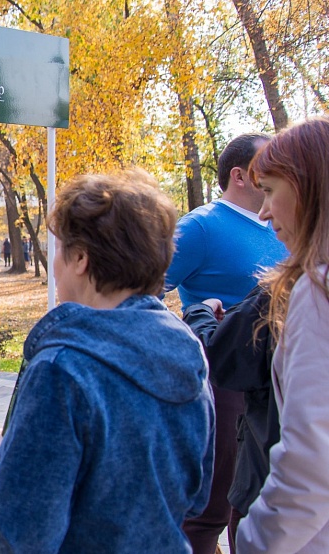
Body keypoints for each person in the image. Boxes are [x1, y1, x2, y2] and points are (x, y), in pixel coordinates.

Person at [0, 170, 215, 553]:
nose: (55, 266)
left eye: (58, 250)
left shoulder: (63, 368)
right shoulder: (187, 347)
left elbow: (18, 535)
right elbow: (197, 493)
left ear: (81, 259)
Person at [164, 133, 287, 553]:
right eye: (264, 171)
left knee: (255, 501)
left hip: (279, 382)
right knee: (212, 505)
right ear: (239, 175)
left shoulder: (284, 224)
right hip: (223, 380)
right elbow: (141, 288)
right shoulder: (200, 226)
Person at [236, 117, 329, 553]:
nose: (264, 210)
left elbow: (311, 463)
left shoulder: (318, 291)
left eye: (270, 190)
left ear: (308, 185)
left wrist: (254, 543)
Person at [182, 286, 278, 552]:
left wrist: (198, 312)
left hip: (271, 487)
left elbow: (220, 354)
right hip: (291, 487)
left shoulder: (290, 289)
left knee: (205, 518)